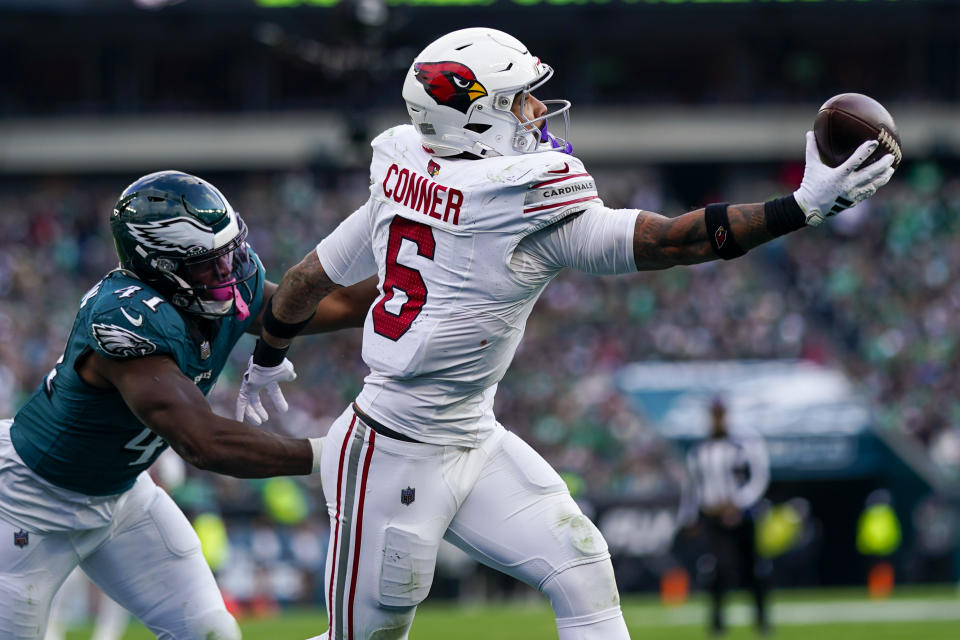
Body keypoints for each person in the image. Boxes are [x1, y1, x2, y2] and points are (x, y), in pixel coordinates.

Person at [235, 27, 896, 640]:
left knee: (581, 568)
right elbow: (674, 241)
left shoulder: (403, 168)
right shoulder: (516, 197)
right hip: (390, 451)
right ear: (474, 116)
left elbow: (301, 281)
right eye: (519, 100)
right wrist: (800, 208)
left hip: (471, 435)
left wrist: (268, 355)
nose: (536, 111)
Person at [0, 170, 377, 640]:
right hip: (26, 504)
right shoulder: (127, 317)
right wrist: (336, 453)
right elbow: (204, 442)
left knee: (211, 632)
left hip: (120, 497)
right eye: (207, 264)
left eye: (229, 255)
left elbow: (331, 305)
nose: (227, 273)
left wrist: (422, 285)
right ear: (157, 265)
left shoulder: (218, 288)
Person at [686, 398, 771, 635]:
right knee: (717, 568)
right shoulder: (699, 449)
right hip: (713, 516)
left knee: (753, 566)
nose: (717, 419)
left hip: (743, 516)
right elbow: (693, 486)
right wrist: (691, 515)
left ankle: (762, 619)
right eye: (714, 414)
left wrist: (738, 503)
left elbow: (759, 478)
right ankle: (717, 621)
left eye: (720, 414)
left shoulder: (744, 444)